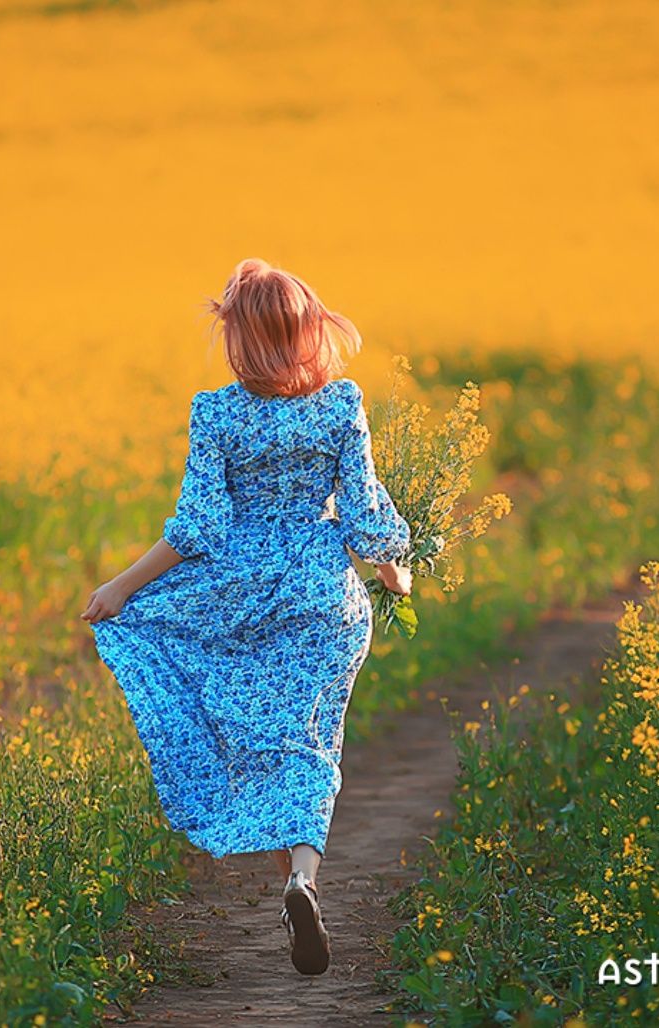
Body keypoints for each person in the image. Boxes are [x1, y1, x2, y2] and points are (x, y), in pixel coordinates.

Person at [81, 257, 412, 976]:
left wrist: (121, 587)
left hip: (241, 599)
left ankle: (253, 830)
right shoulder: (340, 404)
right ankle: (302, 877)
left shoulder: (218, 411)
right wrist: (395, 569)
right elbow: (363, 510)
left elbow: (196, 528)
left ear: (237, 338)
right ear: (309, 330)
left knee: (243, 719)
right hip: (325, 600)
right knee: (313, 742)